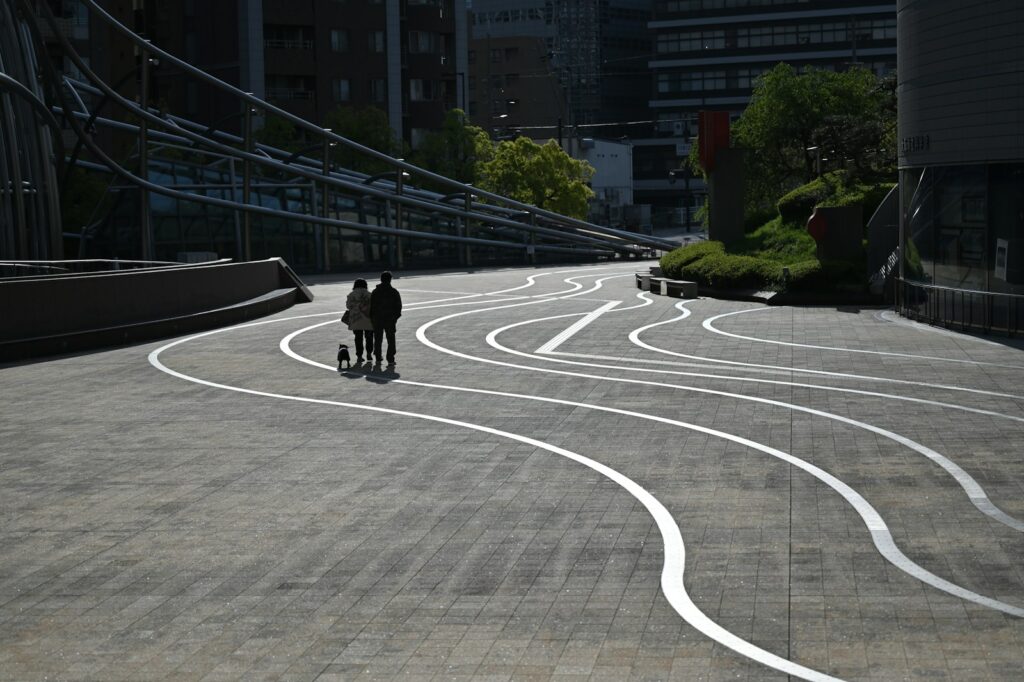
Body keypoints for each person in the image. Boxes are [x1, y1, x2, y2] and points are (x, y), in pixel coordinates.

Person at [370, 270, 402, 365]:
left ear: (381, 279)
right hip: (390, 319)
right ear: (390, 280)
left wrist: (372, 317)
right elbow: (398, 306)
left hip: (377, 319)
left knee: (378, 338)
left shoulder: (375, 292)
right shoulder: (394, 292)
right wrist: (395, 317)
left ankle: (378, 357)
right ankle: (390, 358)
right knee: (391, 339)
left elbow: (371, 306)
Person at [344, 279, 374, 363]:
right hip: (368, 319)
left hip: (356, 319)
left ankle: (359, 356)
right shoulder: (369, 294)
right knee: (369, 337)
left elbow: (348, 306)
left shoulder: (351, 295)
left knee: (358, 338)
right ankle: (369, 353)